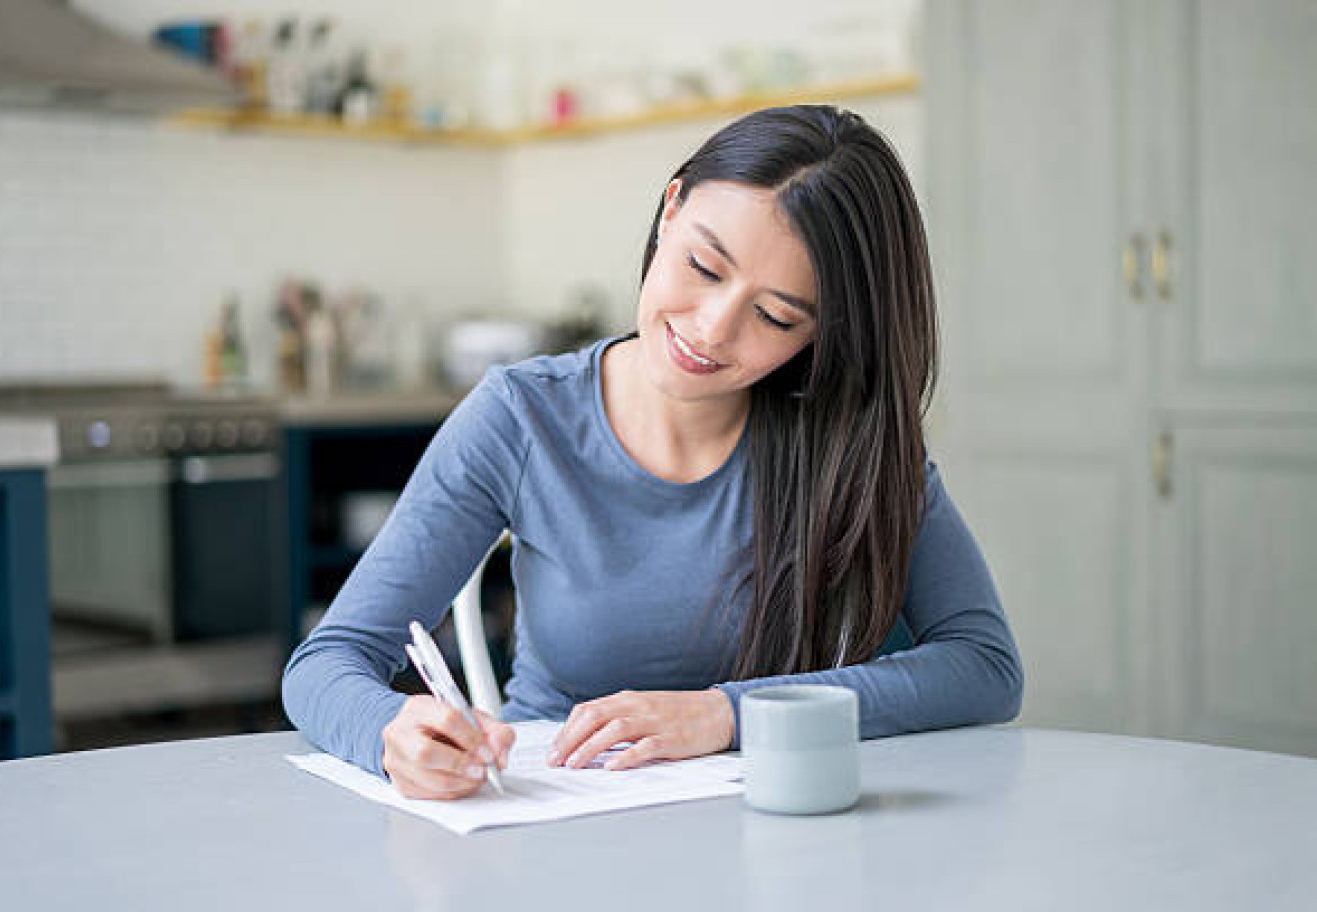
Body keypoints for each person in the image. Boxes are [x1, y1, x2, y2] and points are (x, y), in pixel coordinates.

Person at [282, 104, 1023, 801]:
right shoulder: (522, 418)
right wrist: (390, 734)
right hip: (555, 820)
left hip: (774, 828)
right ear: (670, 211)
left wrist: (726, 714)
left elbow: (984, 667)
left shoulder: (846, 440)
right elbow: (326, 662)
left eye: (773, 315)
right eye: (704, 267)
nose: (712, 329)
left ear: (820, 336)